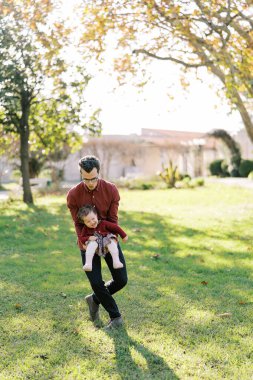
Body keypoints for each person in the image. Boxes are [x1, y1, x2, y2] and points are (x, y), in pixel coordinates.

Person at [66, 155, 128, 330]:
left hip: (108, 239)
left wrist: (114, 238)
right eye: (86, 179)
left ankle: (94, 299)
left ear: (99, 173)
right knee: (96, 281)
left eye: (93, 178)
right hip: (88, 241)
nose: (90, 183)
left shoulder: (111, 190)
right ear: (81, 174)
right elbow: (77, 223)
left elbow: (113, 219)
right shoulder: (73, 195)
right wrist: (83, 241)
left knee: (121, 279)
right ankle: (115, 317)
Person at [77, 204, 128, 272]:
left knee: (111, 243)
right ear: (84, 223)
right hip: (95, 244)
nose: (92, 222)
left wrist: (123, 235)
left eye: (93, 219)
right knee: (91, 245)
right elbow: (81, 238)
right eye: (88, 221)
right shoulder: (85, 229)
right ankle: (88, 264)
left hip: (106, 240)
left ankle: (116, 262)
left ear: (96, 216)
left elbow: (115, 228)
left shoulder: (103, 223)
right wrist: (88, 238)